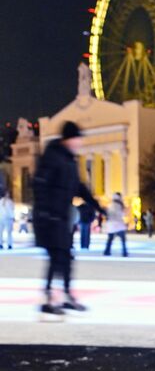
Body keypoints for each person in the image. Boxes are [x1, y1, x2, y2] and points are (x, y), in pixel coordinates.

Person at [32, 121, 102, 316]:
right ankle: (48, 299)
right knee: (58, 258)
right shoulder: (53, 157)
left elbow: (78, 186)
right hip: (49, 218)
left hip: (61, 217)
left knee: (66, 257)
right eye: (77, 139)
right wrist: (45, 212)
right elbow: (40, 185)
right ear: (68, 139)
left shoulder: (69, 160)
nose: (79, 143)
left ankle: (65, 295)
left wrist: (96, 204)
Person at [103, 193, 129, 257]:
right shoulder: (120, 205)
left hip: (111, 224)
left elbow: (107, 214)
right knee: (123, 239)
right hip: (119, 224)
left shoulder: (109, 205)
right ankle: (124, 252)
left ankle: (107, 251)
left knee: (110, 239)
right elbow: (122, 214)